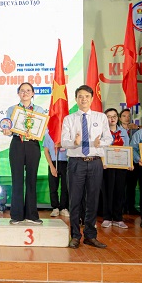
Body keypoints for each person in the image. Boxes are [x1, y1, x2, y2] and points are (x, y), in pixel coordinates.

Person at [61, 85, 112, 249]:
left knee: (93, 199)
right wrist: (74, 142)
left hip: (95, 162)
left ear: (92, 99)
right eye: (80, 96)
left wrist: (100, 143)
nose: (83, 99)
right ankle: (75, 236)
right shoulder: (69, 119)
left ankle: (90, 235)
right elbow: (64, 142)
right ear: (76, 99)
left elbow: (109, 138)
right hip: (76, 162)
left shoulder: (101, 117)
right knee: (75, 200)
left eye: (87, 96)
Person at [2, 83, 45, 224]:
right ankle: (17, 215)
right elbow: (8, 128)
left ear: (33, 93)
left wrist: (37, 133)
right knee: (17, 180)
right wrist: (7, 131)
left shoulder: (39, 110)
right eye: (22, 91)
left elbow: (43, 129)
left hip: (33, 145)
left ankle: (32, 215)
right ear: (18, 93)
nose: (25, 93)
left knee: (32, 179)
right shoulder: (12, 109)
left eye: (28, 90)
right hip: (17, 145)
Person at [101, 108, 131, 229]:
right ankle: (107, 217)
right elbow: (99, 148)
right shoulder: (102, 132)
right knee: (107, 192)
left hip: (121, 166)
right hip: (106, 166)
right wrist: (102, 161)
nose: (112, 119)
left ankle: (118, 218)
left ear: (118, 118)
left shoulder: (123, 132)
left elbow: (127, 148)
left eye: (114, 116)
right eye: (109, 116)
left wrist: (129, 162)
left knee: (119, 191)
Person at [43, 132, 69, 218]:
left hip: (66, 162)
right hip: (53, 162)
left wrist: (62, 144)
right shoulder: (48, 134)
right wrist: (51, 166)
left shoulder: (67, 133)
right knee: (53, 186)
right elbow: (46, 151)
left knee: (65, 187)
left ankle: (63, 207)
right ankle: (55, 207)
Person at [120, 108, 140, 215]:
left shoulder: (135, 130)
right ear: (120, 118)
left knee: (132, 186)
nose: (126, 118)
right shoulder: (117, 131)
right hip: (121, 162)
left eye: (128, 116)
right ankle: (121, 207)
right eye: (124, 116)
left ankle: (130, 207)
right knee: (121, 186)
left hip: (133, 161)